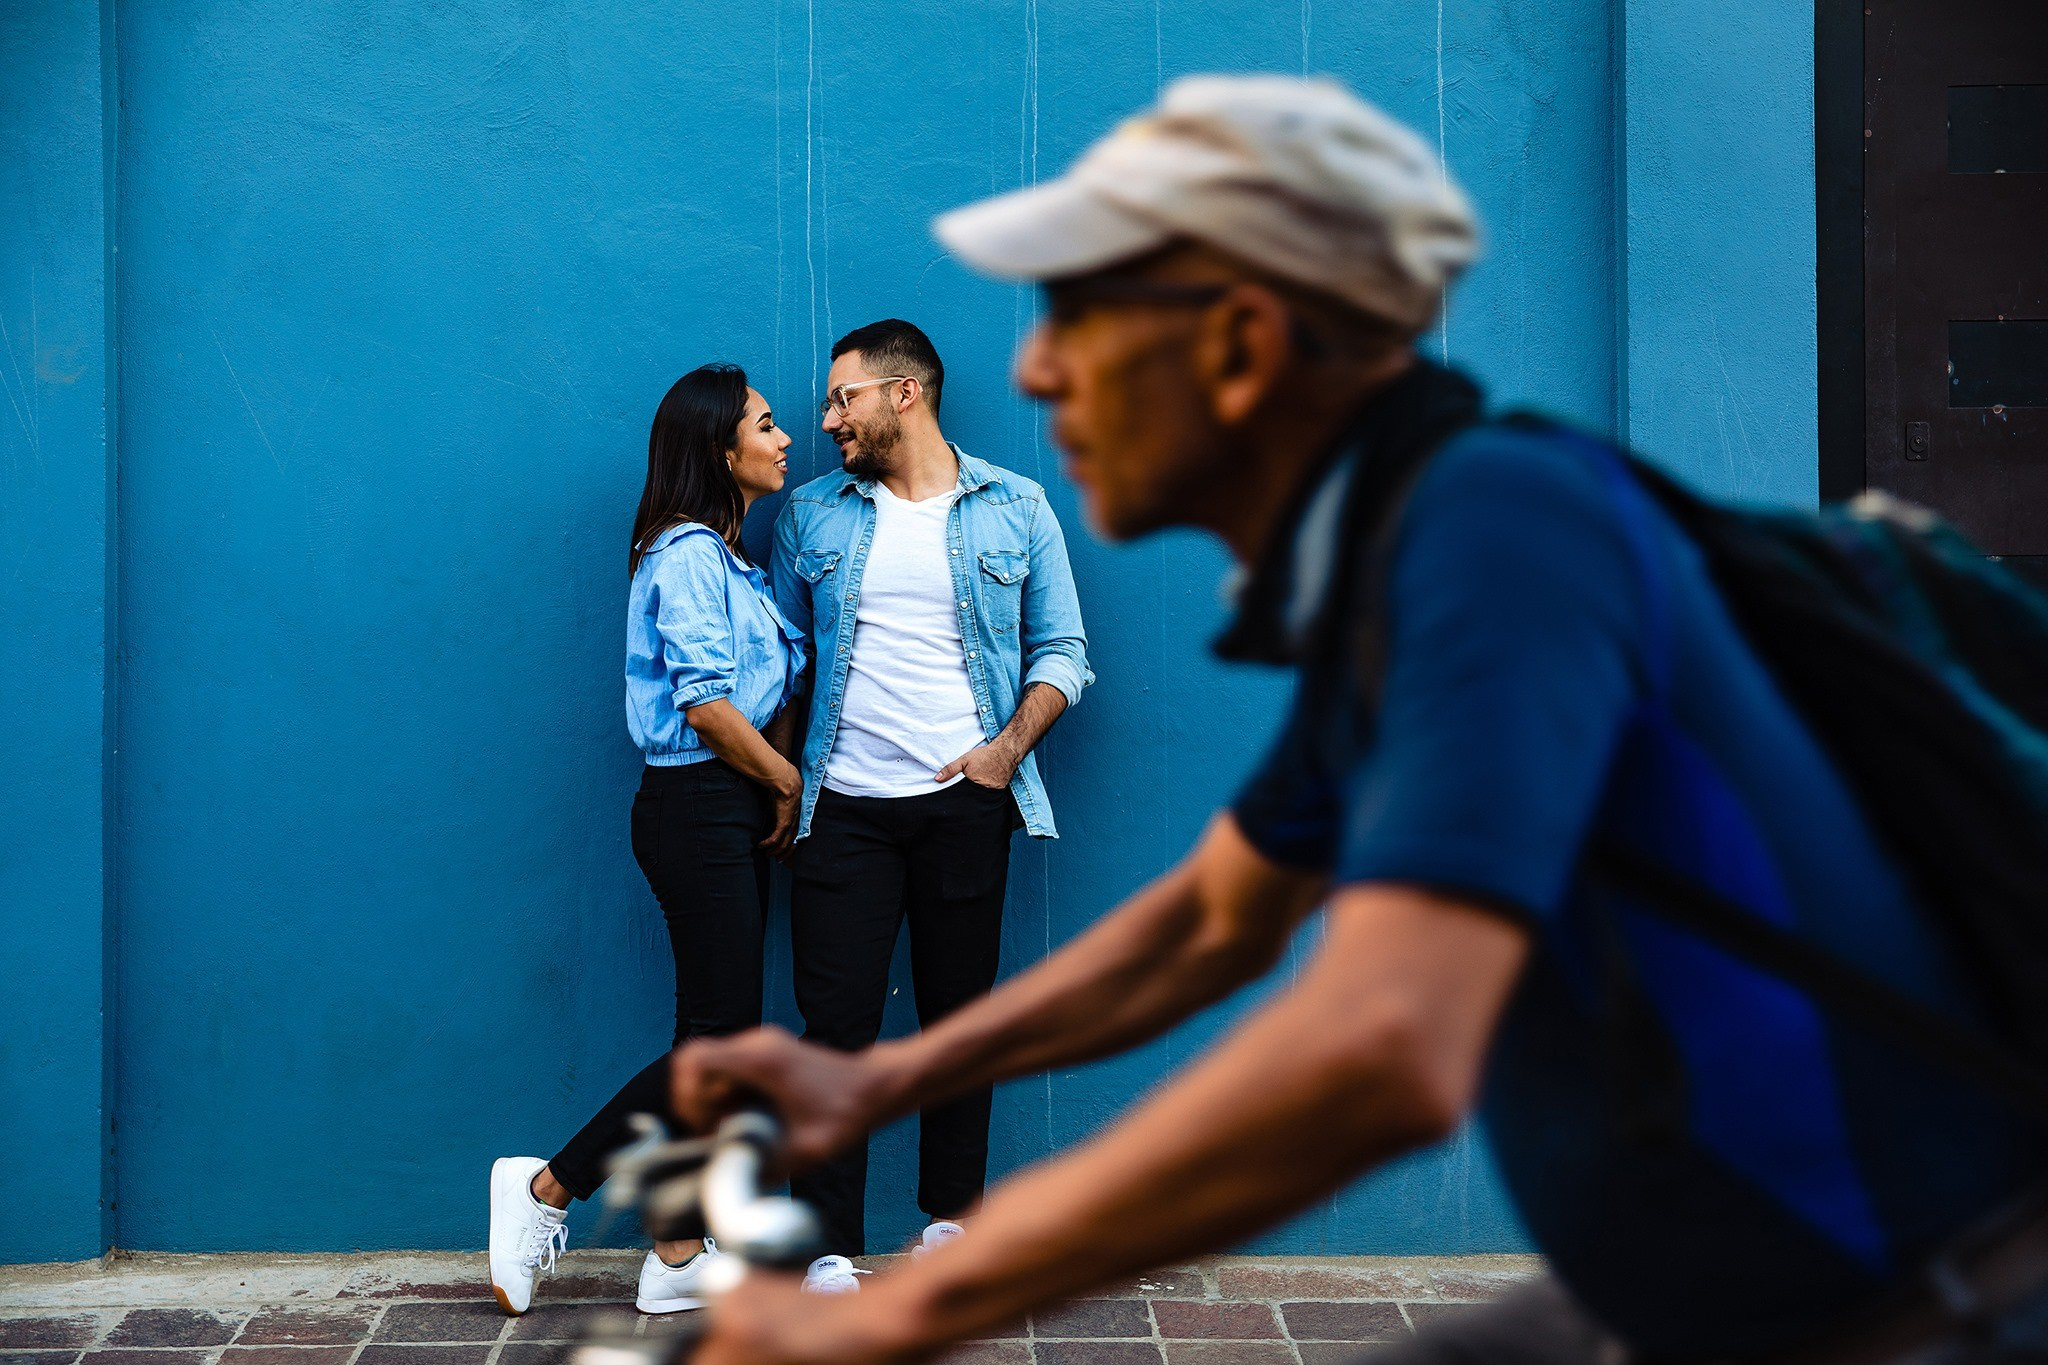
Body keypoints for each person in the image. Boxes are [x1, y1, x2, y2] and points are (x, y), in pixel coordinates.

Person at [672, 76, 2048, 1365]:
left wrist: (906, 1310)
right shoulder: (1398, 569)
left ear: (1244, 343)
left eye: (1081, 318)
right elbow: (1211, 924)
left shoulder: (1495, 534)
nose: (1033, 376)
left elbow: (1378, 1054)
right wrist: (889, 1074)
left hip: (1921, 1293)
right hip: (1714, 1273)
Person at [766, 318, 1092, 1267]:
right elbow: (787, 666)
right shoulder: (812, 515)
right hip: (844, 810)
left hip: (964, 804)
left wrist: (1002, 753)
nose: (827, 419)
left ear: (903, 393)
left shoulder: (1017, 507)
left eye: (844, 398)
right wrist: (786, 782)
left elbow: (1065, 653)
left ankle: (952, 1222)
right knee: (835, 1031)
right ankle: (824, 1249)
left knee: (960, 1016)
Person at [488, 364, 805, 1318]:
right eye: (766, 422)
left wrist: (771, 782)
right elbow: (707, 706)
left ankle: (673, 1250)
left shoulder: (732, 559)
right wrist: (787, 780)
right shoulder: (687, 556)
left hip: (725, 806)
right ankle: (548, 1187)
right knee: (720, 1046)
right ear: (722, 450)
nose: (786, 436)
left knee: (713, 1038)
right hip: (697, 805)